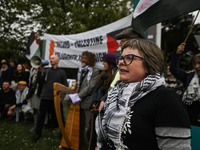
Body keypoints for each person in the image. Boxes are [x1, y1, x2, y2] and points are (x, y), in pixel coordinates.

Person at [95, 39, 191, 150]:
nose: (121, 62)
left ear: (148, 65)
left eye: (129, 58)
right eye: (121, 58)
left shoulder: (167, 99)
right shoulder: (115, 93)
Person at [32, 55, 68, 142]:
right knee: (41, 117)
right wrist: (40, 71)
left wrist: (61, 97)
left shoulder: (62, 72)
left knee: (60, 117)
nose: (51, 60)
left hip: (56, 99)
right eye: (50, 58)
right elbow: (38, 82)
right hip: (45, 98)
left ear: (57, 61)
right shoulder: (46, 71)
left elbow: (65, 86)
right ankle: (38, 133)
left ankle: (62, 134)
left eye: (53, 58)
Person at [69, 51, 99, 146]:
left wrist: (77, 96)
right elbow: (79, 85)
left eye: (85, 58)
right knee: (79, 125)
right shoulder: (81, 70)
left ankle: (91, 145)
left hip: (87, 102)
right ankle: (79, 143)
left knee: (90, 126)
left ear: (90, 59)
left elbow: (90, 87)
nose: (83, 59)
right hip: (79, 102)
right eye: (82, 57)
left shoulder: (95, 71)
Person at [88, 52, 117, 150]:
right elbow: (96, 89)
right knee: (90, 132)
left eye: (105, 61)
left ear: (111, 62)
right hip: (96, 106)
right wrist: (94, 102)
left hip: (105, 108)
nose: (103, 63)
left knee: (99, 133)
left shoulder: (115, 76)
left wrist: (102, 101)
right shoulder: (102, 74)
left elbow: (110, 91)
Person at [170, 42, 200, 126]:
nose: (197, 66)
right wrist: (177, 54)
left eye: (199, 63)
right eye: (194, 64)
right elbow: (174, 70)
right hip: (188, 117)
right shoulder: (189, 76)